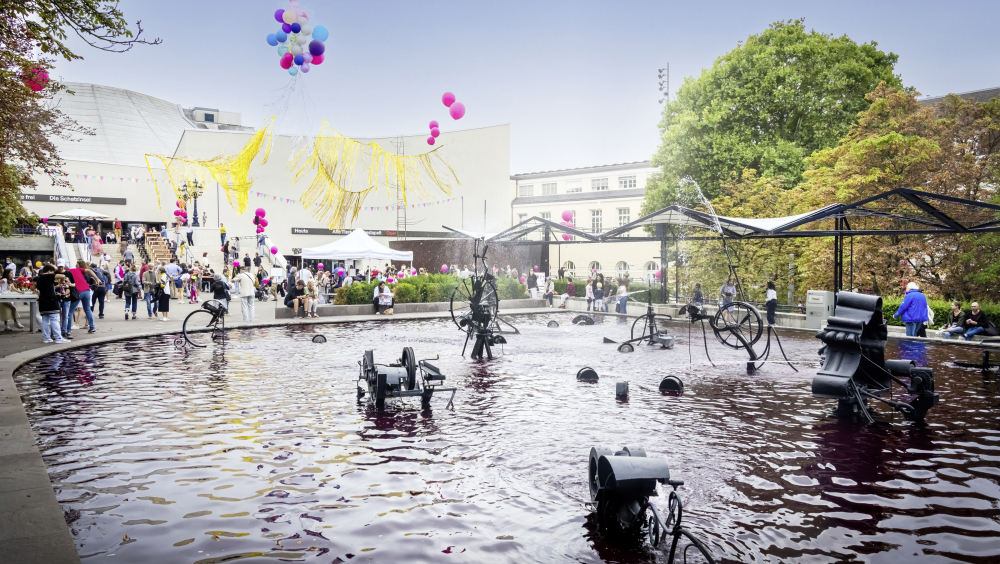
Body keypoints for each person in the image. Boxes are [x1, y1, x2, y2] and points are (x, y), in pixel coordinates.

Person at [35, 265, 66, 343]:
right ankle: (58, 338)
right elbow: (63, 275)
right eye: (53, 272)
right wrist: (62, 281)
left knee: (45, 320)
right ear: (49, 271)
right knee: (55, 319)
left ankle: (46, 338)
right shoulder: (49, 276)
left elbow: (46, 288)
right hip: (51, 301)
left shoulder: (39, 278)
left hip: (42, 301)